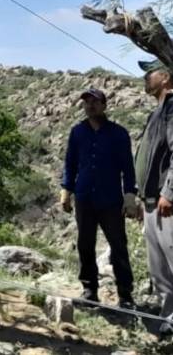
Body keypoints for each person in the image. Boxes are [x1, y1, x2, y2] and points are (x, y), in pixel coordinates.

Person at [60, 88, 136, 309]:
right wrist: (66, 190)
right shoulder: (77, 132)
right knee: (85, 244)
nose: (90, 106)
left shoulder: (118, 133)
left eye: (95, 102)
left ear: (104, 105)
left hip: (111, 199)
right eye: (86, 102)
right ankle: (89, 291)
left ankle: (126, 296)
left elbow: (127, 168)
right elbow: (70, 163)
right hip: (84, 197)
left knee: (118, 246)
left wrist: (129, 194)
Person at [135, 58, 173, 337]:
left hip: (165, 204)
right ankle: (169, 319)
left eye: (151, 72)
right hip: (150, 202)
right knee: (159, 269)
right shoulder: (157, 111)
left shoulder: (172, 108)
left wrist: (169, 192)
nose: (146, 77)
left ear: (166, 76)